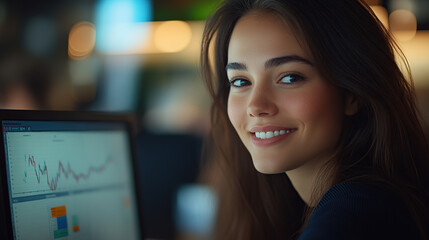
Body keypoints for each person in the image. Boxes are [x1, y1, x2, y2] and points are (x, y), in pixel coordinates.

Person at [200, 0, 429, 239]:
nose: (256, 106)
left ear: (352, 94)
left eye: (289, 78)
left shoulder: (356, 216)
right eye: (240, 81)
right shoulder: (310, 208)